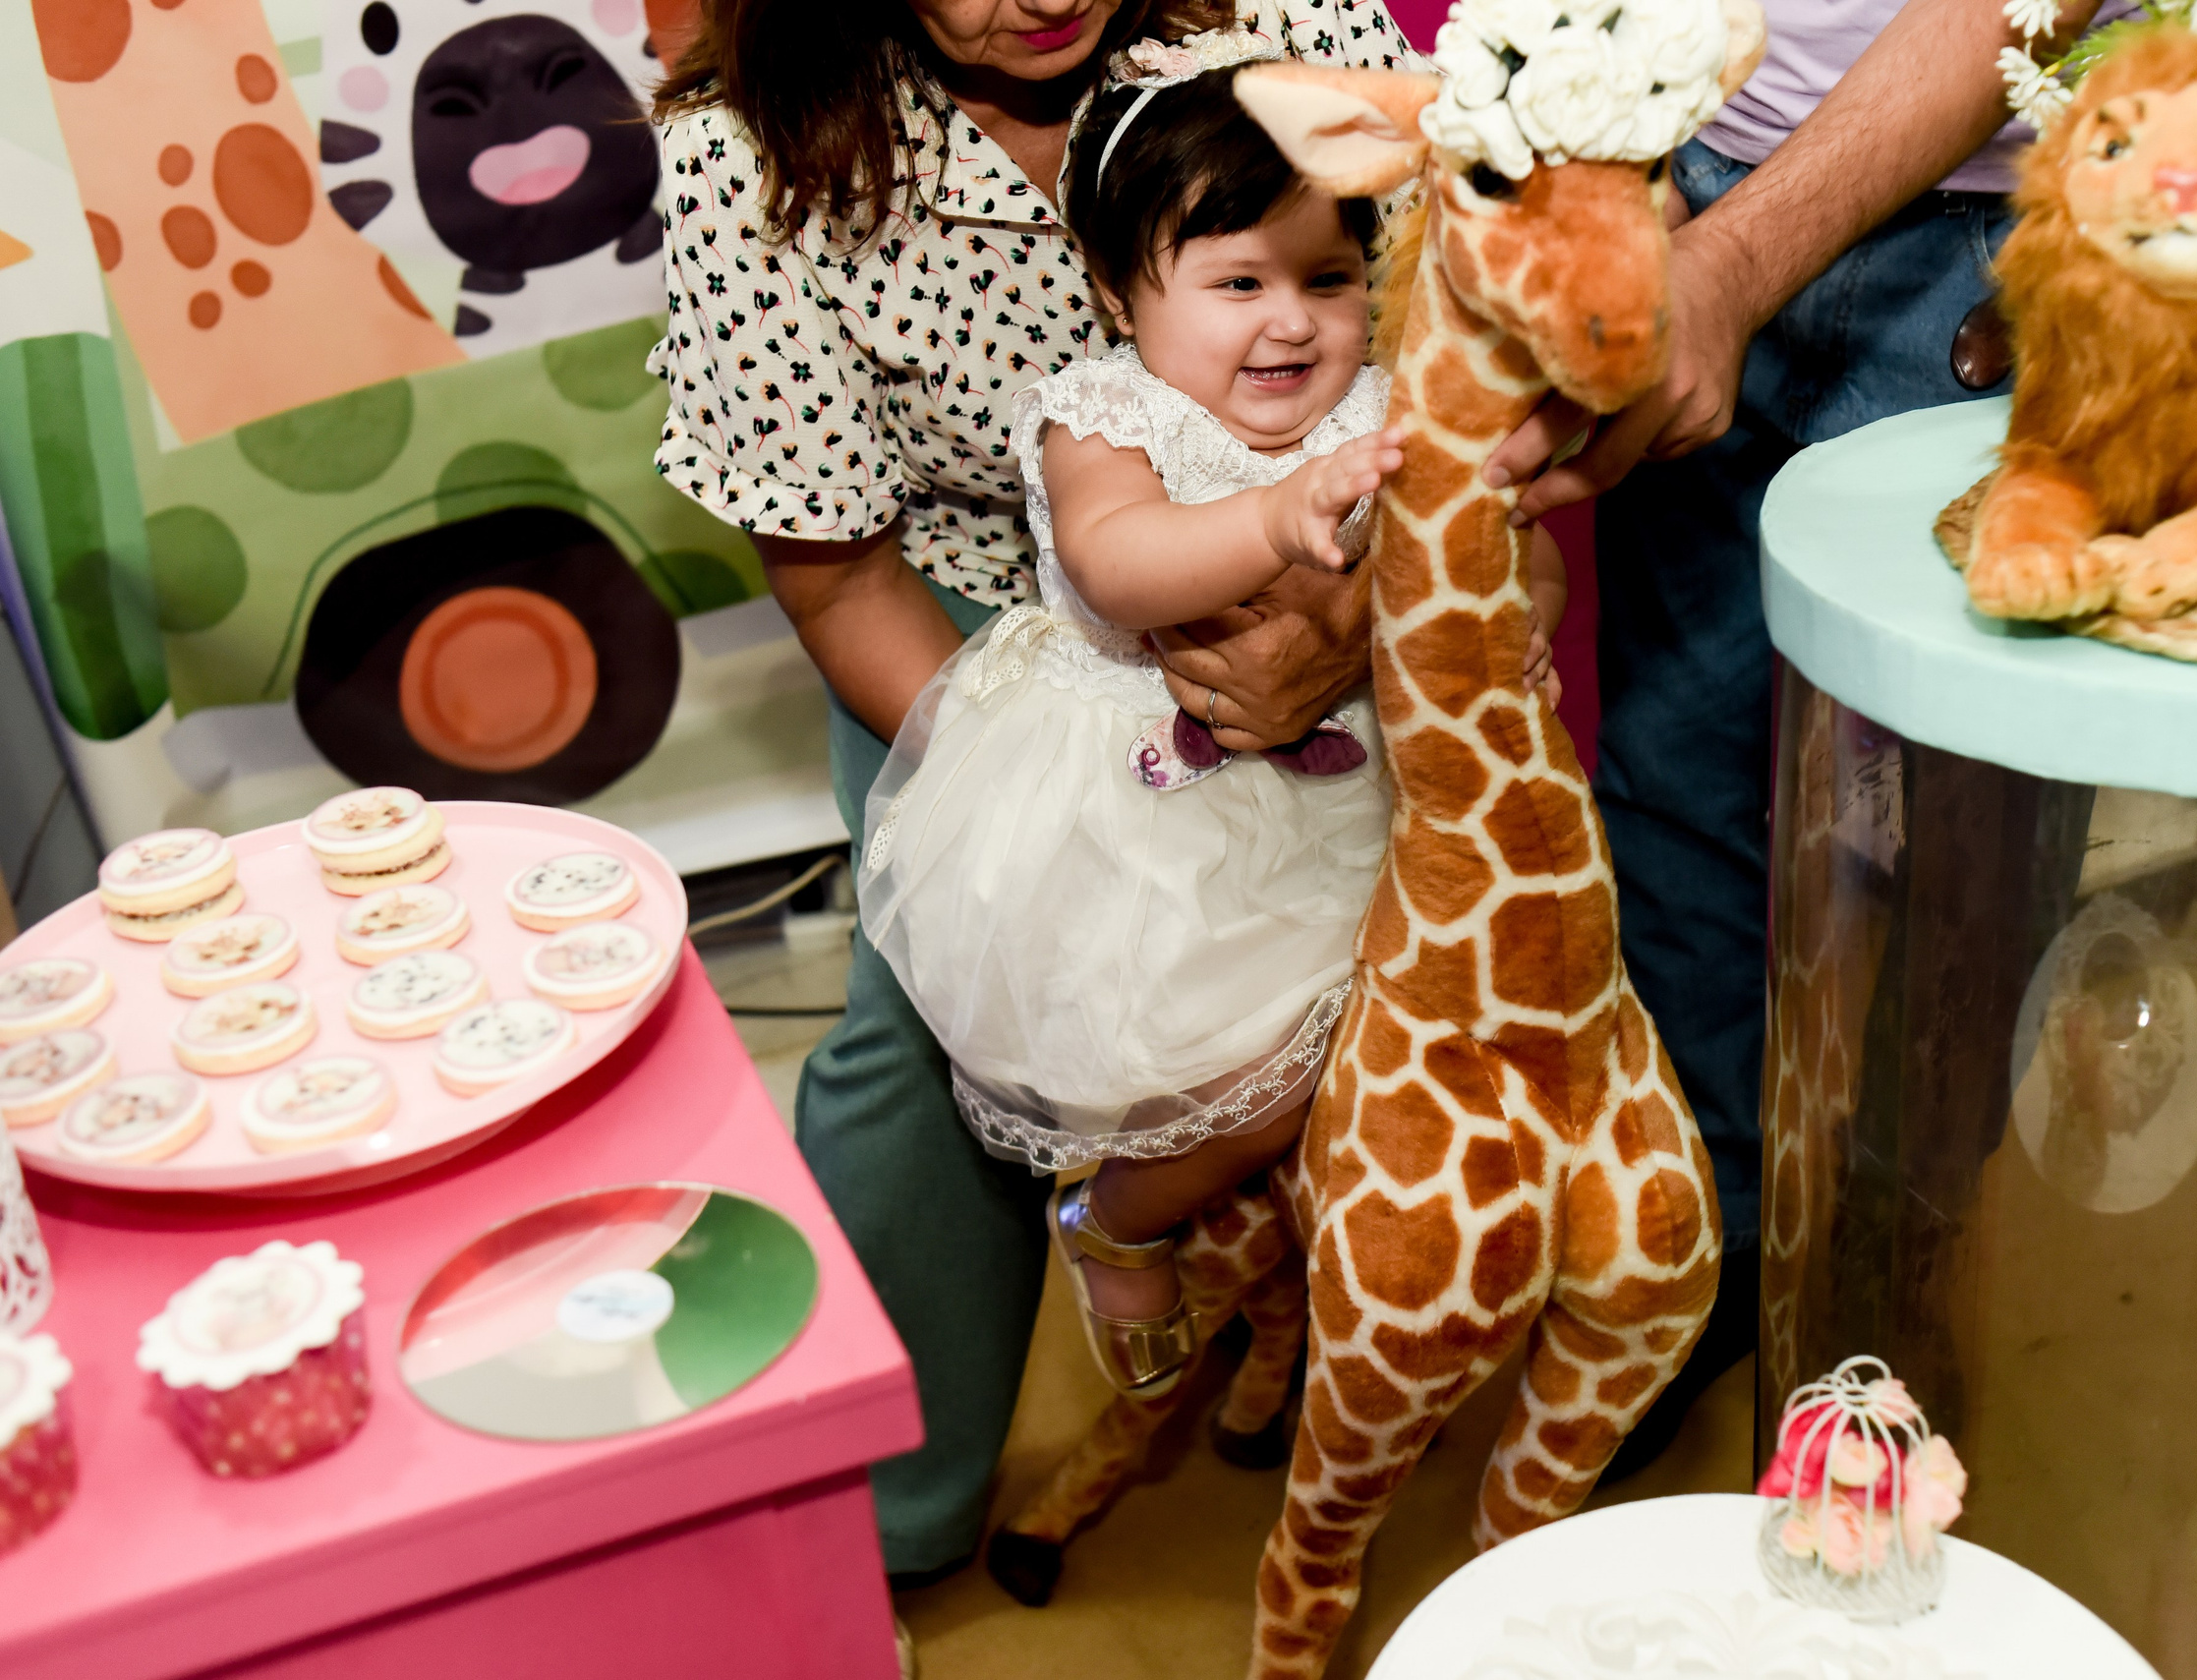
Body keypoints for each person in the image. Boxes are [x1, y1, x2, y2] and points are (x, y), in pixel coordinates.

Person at [647, 0, 1421, 1589]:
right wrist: (1030, 800)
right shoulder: (749, 157)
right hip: (982, 638)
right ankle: (882, 1520)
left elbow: (1476, 347)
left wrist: (1346, 638)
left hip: (1355, 574)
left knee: (1377, 991)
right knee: (918, 1030)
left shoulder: (1288, 26)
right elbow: (836, 569)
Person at [859, 56, 1562, 1398]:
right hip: (1148, 805)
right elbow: (1120, 559)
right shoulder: (1105, 416)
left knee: (1417, 1045)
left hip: (1350, 783)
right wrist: (1270, 520)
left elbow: (1502, 529)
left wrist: (1522, 601)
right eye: (1238, 283)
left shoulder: (1381, 407)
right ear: (1126, 296)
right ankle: (1115, 1213)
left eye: (1328, 279)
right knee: (1264, 1076)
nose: (1290, 322)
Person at [1474, 0, 2110, 1470]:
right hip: (1693, 179)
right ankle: (1711, 1253)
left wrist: (1731, 263)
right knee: (1668, 771)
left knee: (1968, 851)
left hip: (1997, 229)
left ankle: (1891, 1282)